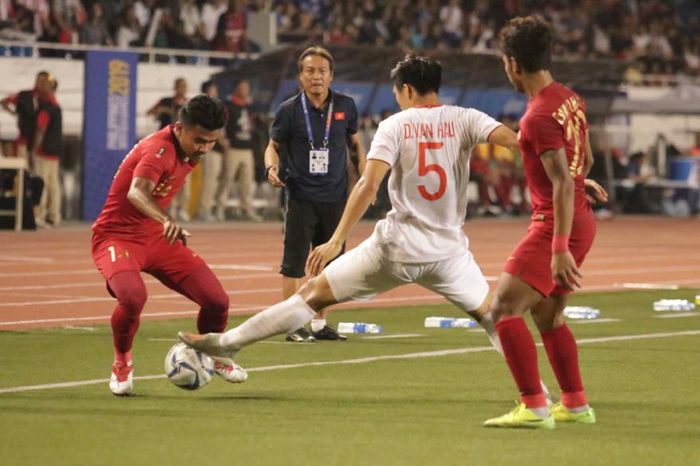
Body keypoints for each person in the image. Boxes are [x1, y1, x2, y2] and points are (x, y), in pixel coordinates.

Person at [176, 55, 524, 390]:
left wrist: (335, 241)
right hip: (449, 254)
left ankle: (228, 343)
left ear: (405, 90)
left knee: (310, 297)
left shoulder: (395, 125)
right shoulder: (467, 118)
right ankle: (537, 395)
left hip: (397, 248)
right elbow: (518, 144)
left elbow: (368, 185)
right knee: (495, 320)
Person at [483, 16, 608, 429]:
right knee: (548, 317)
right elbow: (583, 161)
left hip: (556, 223)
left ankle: (534, 406)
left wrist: (557, 249)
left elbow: (560, 181)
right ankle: (574, 404)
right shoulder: (569, 97)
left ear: (513, 64)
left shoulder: (537, 115)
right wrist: (577, 181)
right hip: (579, 217)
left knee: (502, 309)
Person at [91, 95, 247, 396]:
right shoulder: (157, 150)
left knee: (217, 302)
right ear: (179, 128)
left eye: (212, 142)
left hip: (158, 237)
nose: (205, 148)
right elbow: (137, 193)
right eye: (200, 140)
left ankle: (214, 353)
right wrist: (166, 219)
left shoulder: (191, 150)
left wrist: (161, 225)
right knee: (133, 298)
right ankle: (122, 361)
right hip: (117, 236)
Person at [264, 46, 367, 342]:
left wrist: (365, 179)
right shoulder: (289, 110)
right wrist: (271, 168)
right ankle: (292, 325)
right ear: (301, 77)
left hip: (336, 198)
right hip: (300, 196)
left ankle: (320, 326)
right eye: (310, 71)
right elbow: (272, 146)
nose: (316, 76)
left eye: (322, 71)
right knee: (294, 262)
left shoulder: (346, 106)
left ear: (331, 76)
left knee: (331, 266)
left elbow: (356, 144)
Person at [218, 79, 262, 222]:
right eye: (242, 87)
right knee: (227, 178)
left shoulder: (250, 107)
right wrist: (223, 140)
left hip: (247, 148)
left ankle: (246, 207)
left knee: (247, 180)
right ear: (236, 89)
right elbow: (221, 124)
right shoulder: (229, 106)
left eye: (247, 87)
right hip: (234, 147)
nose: (245, 90)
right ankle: (220, 206)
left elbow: (254, 126)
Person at [148, 77, 191, 222]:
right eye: (179, 85)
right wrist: (162, 110)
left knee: (183, 176)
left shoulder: (190, 104)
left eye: (184, 86)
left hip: (184, 146)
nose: (182, 88)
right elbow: (151, 112)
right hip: (167, 144)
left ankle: (182, 208)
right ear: (175, 87)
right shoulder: (166, 101)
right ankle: (166, 207)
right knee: (166, 176)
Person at [30, 76, 62, 227]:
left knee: (41, 183)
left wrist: (34, 150)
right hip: (54, 153)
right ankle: (54, 215)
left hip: (43, 152)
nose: (41, 88)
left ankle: (39, 214)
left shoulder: (46, 108)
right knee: (53, 185)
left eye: (45, 86)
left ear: (50, 89)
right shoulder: (57, 107)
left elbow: (41, 130)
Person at [196, 80, 227, 222]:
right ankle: (204, 209)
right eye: (212, 90)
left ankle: (209, 208)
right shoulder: (203, 108)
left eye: (215, 90)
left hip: (218, 149)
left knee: (214, 179)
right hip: (209, 148)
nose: (215, 93)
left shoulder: (217, 107)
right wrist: (222, 140)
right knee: (209, 179)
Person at [0, 70, 50, 159]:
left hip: (42, 144)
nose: (41, 84)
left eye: (44, 82)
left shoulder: (48, 99)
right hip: (24, 139)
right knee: (23, 166)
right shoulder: (24, 95)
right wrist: (13, 113)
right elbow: (4, 102)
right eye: (40, 81)